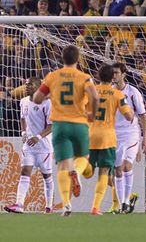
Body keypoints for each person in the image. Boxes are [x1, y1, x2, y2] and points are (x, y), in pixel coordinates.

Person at [33, 45, 100, 216]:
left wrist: (48, 95)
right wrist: (92, 114)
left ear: (62, 59)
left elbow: (37, 98)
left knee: (63, 164)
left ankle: (66, 204)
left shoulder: (52, 76)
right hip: (79, 124)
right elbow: (94, 96)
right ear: (78, 59)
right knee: (83, 157)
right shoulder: (84, 78)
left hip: (60, 125)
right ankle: (76, 172)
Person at [87, 64, 134, 215]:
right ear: (112, 77)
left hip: (90, 136)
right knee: (105, 172)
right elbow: (128, 117)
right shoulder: (118, 95)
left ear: (98, 76)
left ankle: (76, 170)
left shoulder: (89, 92)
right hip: (107, 137)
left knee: (87, 171)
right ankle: (95, 207)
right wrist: (131, 112)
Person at [4, 77, 54, 214]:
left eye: (30, 85)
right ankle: (19, 204)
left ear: (38, 87)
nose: (26, 87)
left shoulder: (47, 103)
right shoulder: (23, 101)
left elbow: (51, 126)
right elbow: (22, 118)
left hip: (44, 145)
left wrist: (38, 137)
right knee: (25, 171)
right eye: (26, 85)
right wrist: (23, 132)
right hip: (29, 146)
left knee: (47, 176)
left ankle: (49, 206)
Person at [112, 62, 146, 213]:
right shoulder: (109, 92)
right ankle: (122, 204)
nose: (114, 76)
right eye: (112, 73)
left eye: (116, 73)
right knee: (117, 170)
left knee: (126, 166)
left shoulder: (133, 92)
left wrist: (145, 138)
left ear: (123, 74)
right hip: (114, 135)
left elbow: (143, 116)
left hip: (131, 133)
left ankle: (125, 202)